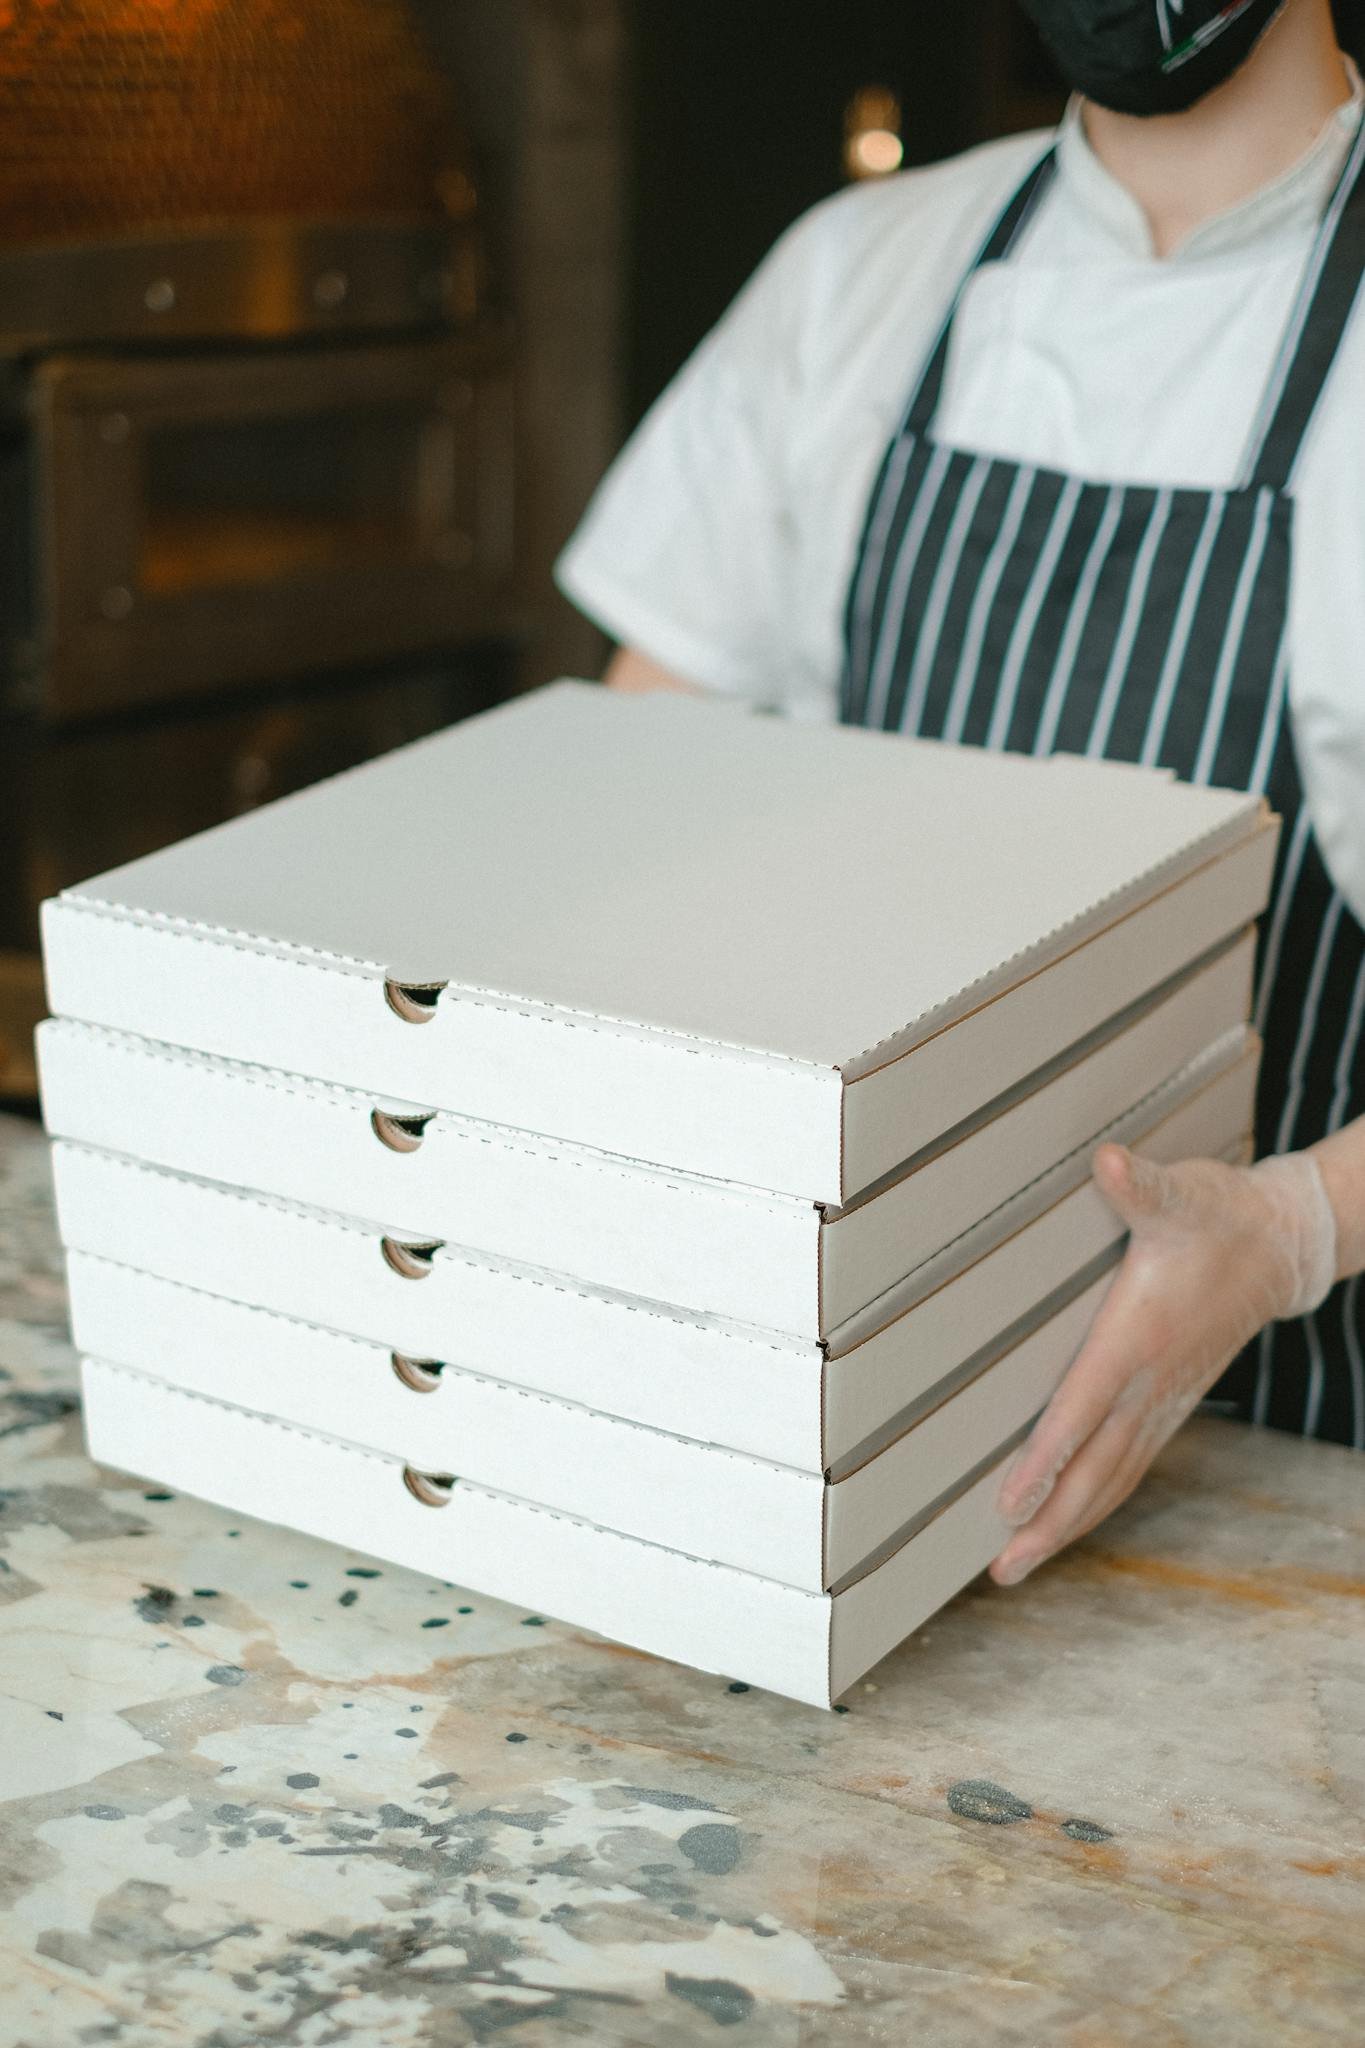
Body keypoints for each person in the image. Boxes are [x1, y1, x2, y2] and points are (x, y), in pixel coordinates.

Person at [555, 0, 1365, 1585]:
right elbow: (621, 801)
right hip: (860, 1445)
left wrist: (1283, 1235)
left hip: (1295, 1477)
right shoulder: (861, 270)